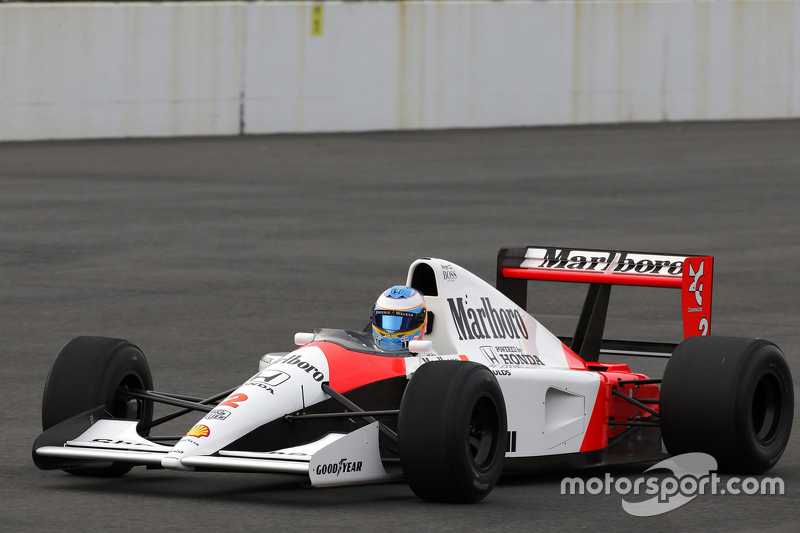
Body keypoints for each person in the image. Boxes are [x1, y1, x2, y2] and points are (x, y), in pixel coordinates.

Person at [371, 286, 427, 351]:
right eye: (387, 321)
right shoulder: (365, 351)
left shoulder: (429, 357)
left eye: (404, 323)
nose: (390, 335)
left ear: (422, 318)